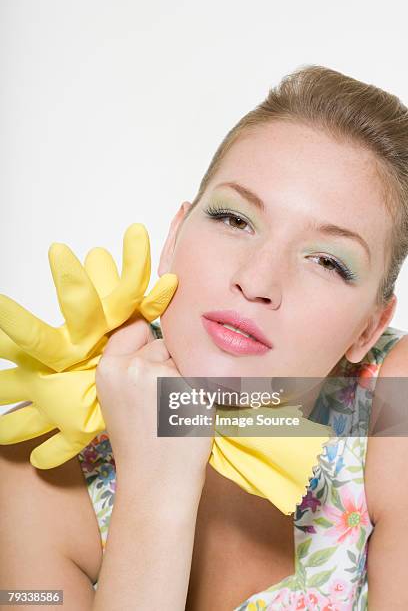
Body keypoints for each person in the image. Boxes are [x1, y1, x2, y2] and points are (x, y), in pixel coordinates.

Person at [1, 64, 408, 610]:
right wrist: (155, 489)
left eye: (328, 261)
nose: (258, 280)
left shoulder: (394, 404)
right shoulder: (36, 472)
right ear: (174, 238)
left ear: (368, 329)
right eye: (235, 219)